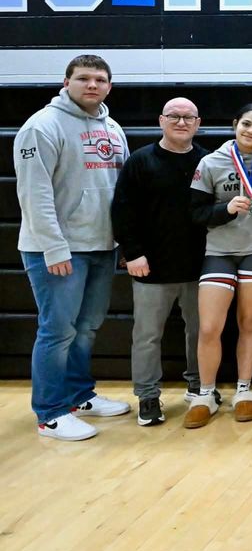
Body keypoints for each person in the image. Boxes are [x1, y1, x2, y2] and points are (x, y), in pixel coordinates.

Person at [15, 54, 131, 441]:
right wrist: (54, 248)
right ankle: (50, 413)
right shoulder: (41, 127)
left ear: (109, 86)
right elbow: (35, 194)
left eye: (99, 79)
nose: (92, 85)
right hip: (59, 251)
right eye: (83, 78)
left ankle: (79, 396)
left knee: (86, 328)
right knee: (58, 331)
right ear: (67, 83)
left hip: (101, 246)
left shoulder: (112, 127)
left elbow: (123, 193)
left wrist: (124, 242)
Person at [111, 97, 211, 427]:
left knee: (200, 331)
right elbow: (123, 211)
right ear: (161, 120)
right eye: (174, 116)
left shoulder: (207, 161)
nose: (181, 122)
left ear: (198, 123)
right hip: (151, 267)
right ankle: (148, 396)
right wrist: (132, 253)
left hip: (199, 267)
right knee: (147, 336)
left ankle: (198, 385)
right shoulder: (140, 161)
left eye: (188, 117)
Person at [184, 103, 252, 428]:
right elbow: (195, 215)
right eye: (246, 124)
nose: (251, 131)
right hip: (219, 251)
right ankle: (206, 393)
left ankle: (244, 389)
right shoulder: (210, 162)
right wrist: (225, 209)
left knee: (249, 320)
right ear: (235, 124)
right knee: (210, 326)